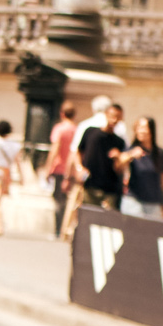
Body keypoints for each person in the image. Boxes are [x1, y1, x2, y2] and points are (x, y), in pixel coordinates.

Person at [74, 100, 127, 212]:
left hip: (110, 190)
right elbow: (78, 151)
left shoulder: (120, 142)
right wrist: (79, 168)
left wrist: (118, 158)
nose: (114, 120)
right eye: (112, 116)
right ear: (106, 115)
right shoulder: (90, 132)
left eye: (118, 117)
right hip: (90, 185)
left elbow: (119, 169)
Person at [119, 116, 163, 218]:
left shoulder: (160, 153)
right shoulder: (131, 149)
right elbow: (119, 163)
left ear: (151, 130)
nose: (141, 131)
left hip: (153, 203)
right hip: (133, 201)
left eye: (144, 127)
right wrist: (131, 155)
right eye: (138, 127)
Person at [43, 100, 79, 236]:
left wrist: (47, 169)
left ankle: (58, 229)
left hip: (59, 169)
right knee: (70, 200)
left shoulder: (59, 129)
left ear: (62, 114)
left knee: (59, 201)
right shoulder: (77, 130)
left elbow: (54, 150)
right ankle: (68, 228)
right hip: (73, 170)